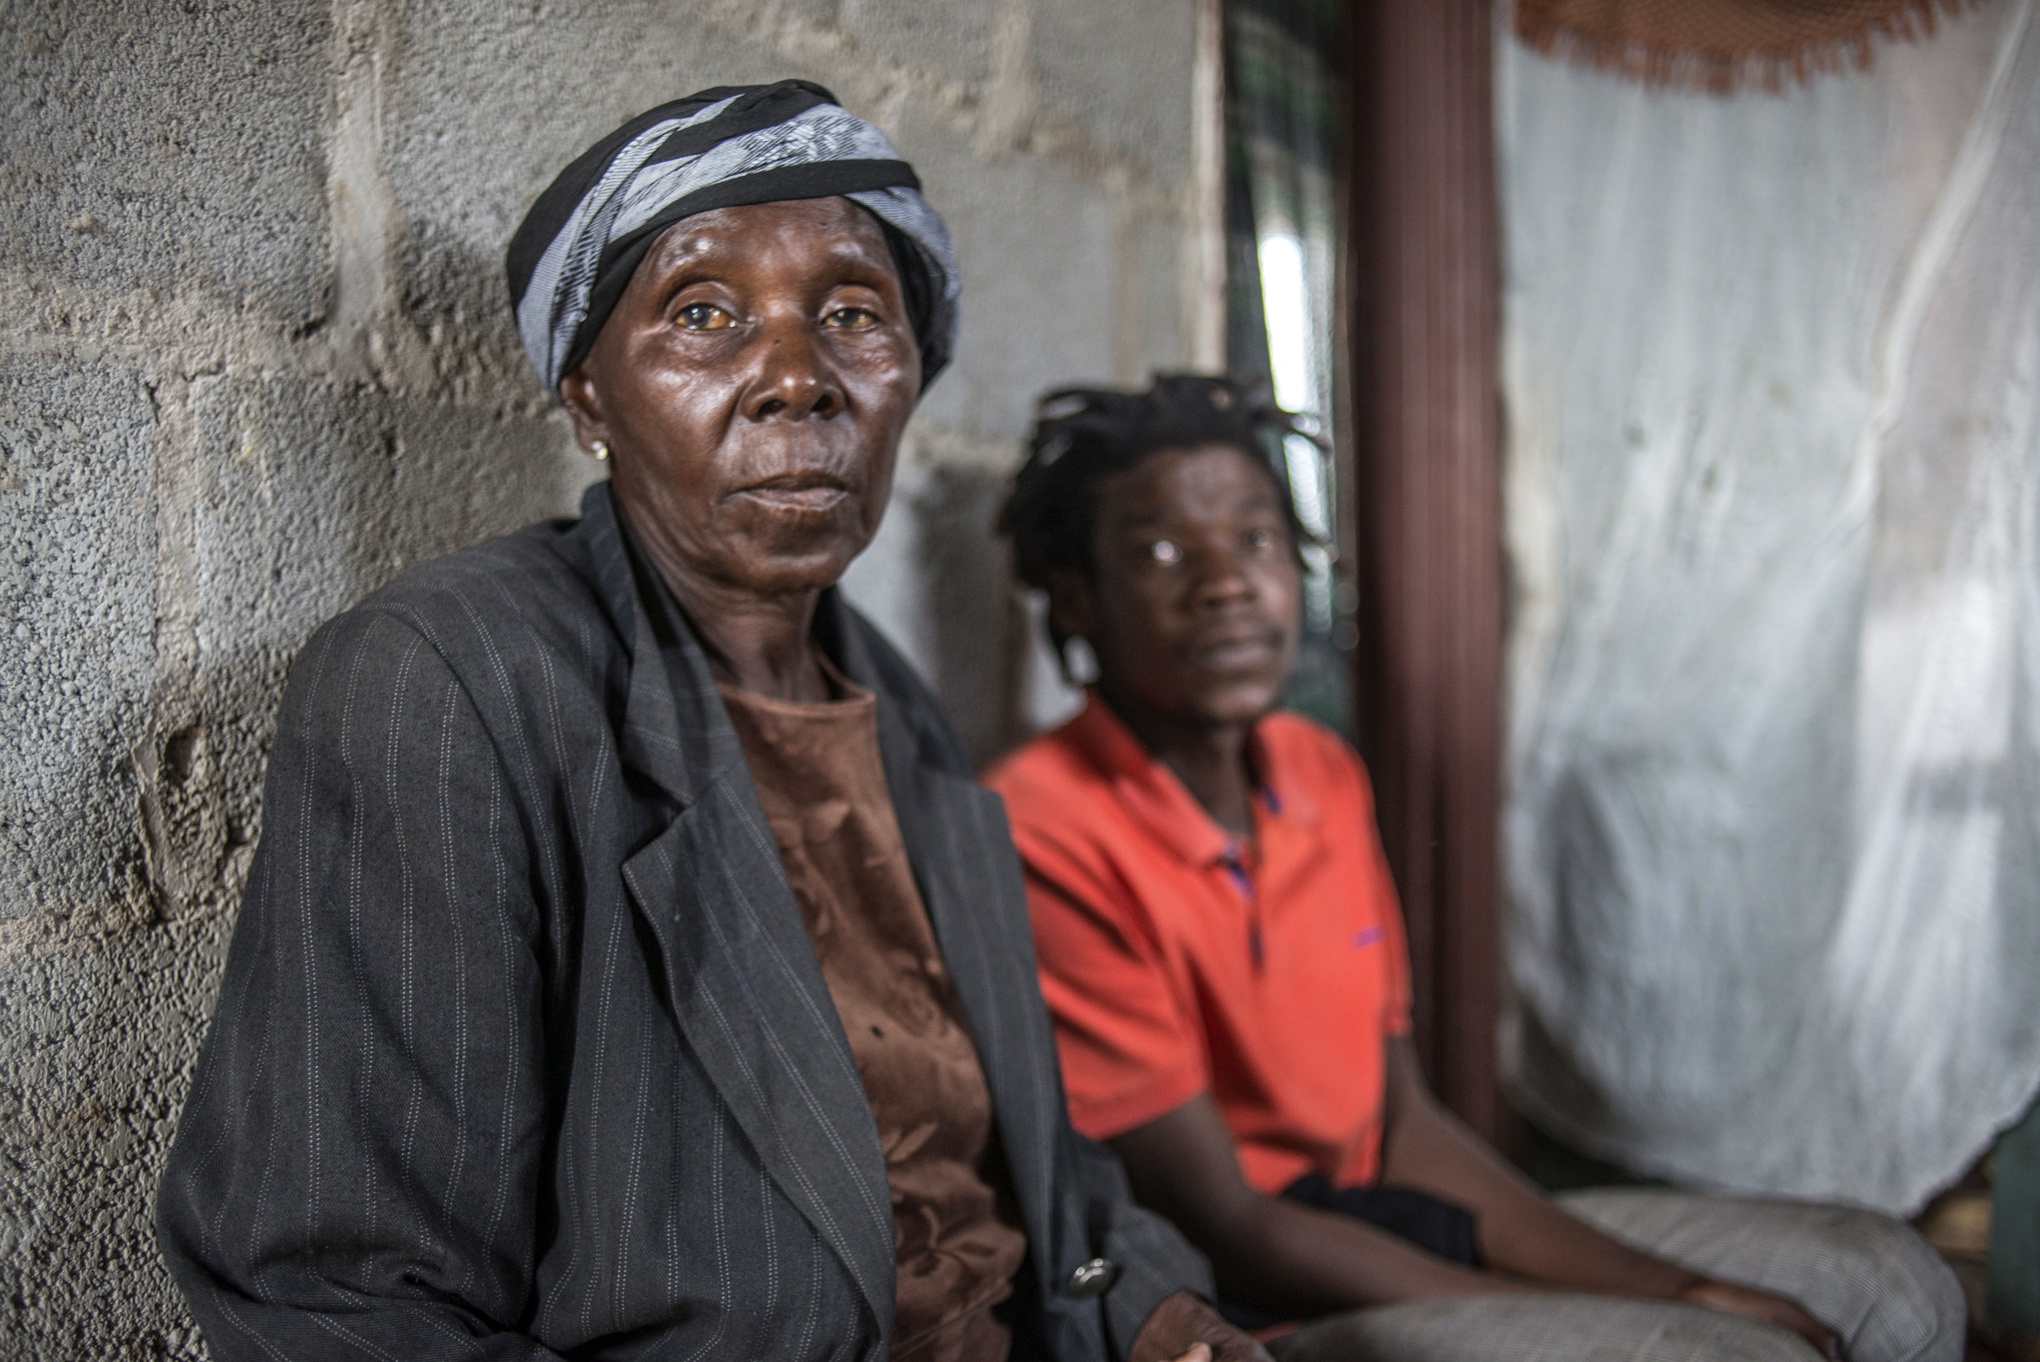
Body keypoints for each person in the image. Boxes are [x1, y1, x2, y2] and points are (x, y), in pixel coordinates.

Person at [157, 83, 1270, 1362]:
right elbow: (339, 1294)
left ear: (912, 373)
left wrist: (1150, 1306)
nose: (798, 379)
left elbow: (1030, 1162)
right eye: (704, 315)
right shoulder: (451, 687)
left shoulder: (894, 709)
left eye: (854, 314)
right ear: (588, 400)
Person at [986, 375, 1967, 1362]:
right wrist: (1617, 1314)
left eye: (1255, 539)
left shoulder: (1316, 772)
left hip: (1396, 1221)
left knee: (1886, 1279)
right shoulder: (1045, 827)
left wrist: (1674, 1283)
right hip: (1256, 1299)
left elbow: (1403, 1122)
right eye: (1160, 551)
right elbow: (1229, 1224)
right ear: (1077, 597)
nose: (1226, 581)